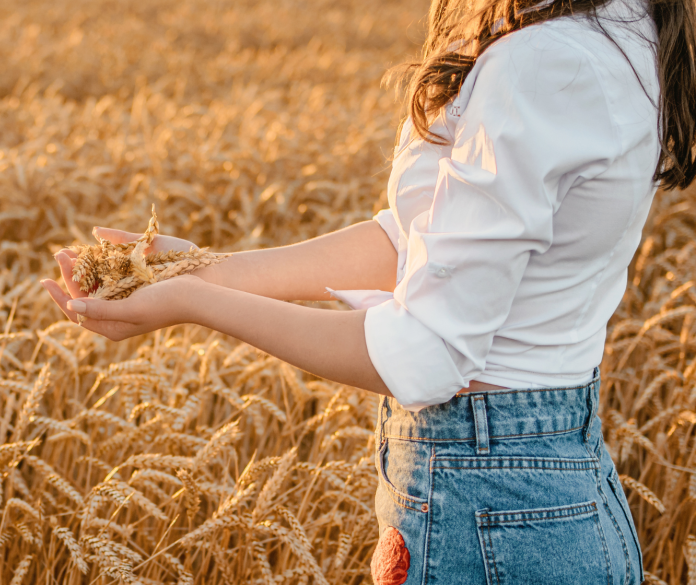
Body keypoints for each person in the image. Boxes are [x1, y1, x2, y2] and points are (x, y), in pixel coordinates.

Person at [40, 0, 695, 582]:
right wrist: (208, 268)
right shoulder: (605, 25)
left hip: (489, 506)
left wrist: (192, 303)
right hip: (536, 493)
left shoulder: (543, 57)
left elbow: (429, 353)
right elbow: (425, 239)